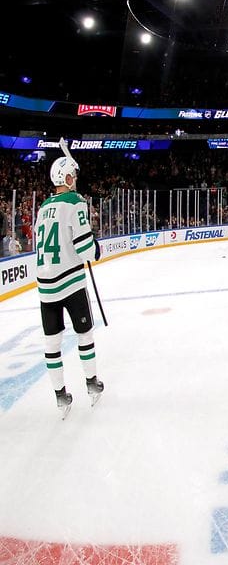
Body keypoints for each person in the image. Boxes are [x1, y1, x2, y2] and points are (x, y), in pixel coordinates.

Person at [35, 154, 104, 418]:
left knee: (52, 343)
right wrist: (95, 249)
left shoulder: (42, 207)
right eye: (72, 175)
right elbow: (85, 248)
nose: (74, 179)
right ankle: (91, 382)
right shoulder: (76, 202)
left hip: (45, 285)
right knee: (84, 334)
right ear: (66, 177)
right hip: (71, 281)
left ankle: (60, 395)